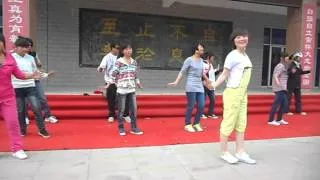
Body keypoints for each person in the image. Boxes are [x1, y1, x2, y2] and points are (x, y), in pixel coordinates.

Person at [212, 28, 256, 164]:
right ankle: (224, 152)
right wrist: (214, 84)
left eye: (244, 36)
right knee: (229, 122)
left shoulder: (245, 56)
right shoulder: (232, 55)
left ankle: (240, 151)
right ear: (234, 41)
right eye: (238, 37)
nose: (242, 38)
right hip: (233, 92)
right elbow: (225, 74)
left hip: (243, 94)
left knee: (242, 123)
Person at [0, 34, 40, 159]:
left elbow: (19, 75)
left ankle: (17, 149)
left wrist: (32, 75)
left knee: (13, 123)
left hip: (7, 97)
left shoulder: (9, 58)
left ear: (3, 43)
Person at [11, 36, 50, 138]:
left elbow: (35, 70)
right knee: (20, 110)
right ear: (17, 47)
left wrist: (42, 74)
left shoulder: (31, 58)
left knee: (36, 108)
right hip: (17, 87)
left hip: (30, 86)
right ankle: (22, 130)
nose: (26, 49)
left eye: (27, 47)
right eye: (24, 47)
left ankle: (42, 130)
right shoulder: (11, 57)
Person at [168, 43, 208, 132]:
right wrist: (176, 81)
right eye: (201, 49)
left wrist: (208, 81)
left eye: (203, 49)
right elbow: (182, 71)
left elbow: (202, 73)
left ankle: (197, 123)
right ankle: (187, 124)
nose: (202, 51)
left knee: (201, 105)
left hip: (199, 85)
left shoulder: (201, 60)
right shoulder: (189, 60)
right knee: (191, 105)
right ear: (196, 50)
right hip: (191, 85)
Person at [109, 44, 143, 136]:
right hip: (122, 89)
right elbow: (114, 73)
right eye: (127, 49)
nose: (129, 51)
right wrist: (112, 82)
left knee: (134, 110)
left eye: (130, 49)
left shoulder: (134, 62)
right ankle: (121, 128)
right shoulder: (119, 61)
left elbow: (135, 74)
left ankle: (134, 128)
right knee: (121, 110)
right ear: (123, 51)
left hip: (131, 89)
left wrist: (138, 82)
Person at [24, 37, 58, 124]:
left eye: (30, 45)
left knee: (42, 98)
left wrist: (46, 74)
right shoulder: (15, 56)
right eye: (27, 45)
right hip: (24, 81)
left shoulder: (33, 55)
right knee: (25, 101)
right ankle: (25, 117)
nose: (29, 47)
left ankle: (48, 116)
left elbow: (37, 69)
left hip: (35, 80)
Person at [97, 43, 130, 123]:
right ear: (112, 48)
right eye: (116, 48)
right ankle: (111, 115)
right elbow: (101, 67)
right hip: (110, 81)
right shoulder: (107, 57)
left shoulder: (122, 57)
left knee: (125, 98)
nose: (118, 50)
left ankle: (125, 115)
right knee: (111, 99)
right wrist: (101, 69)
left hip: (122, 81)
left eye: (119, 48)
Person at [268, 52, 291, 126]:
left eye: (288, 57)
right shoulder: (280, 65)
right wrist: (278, 83)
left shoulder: (285, 65)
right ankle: (271, 120)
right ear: (282, 58)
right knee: (276, 104)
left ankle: (279, 119)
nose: (288, 58)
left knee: (284, 104)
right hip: (279, 88)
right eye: (287, 57)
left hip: (283, 87)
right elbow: (275, 75)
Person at [286, 52, 311, 116]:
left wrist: (308, 71)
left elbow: (300, 72)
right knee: (288, 98)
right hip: (291, 84)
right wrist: (291, 72)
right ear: (295, 57)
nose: (300, 59)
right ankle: (286, 111)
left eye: (300, 58)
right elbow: (288, 73)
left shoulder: (299, 65)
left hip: (297, 84)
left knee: (298, 98)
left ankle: (299, 110)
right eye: (299, 58)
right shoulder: (291, 64)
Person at [201, 52, 221, 119]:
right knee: (203, 100)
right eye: (212, 57)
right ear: (208, 57)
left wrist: (218, 71)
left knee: (213, 99)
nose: (213, 58)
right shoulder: (203, 64)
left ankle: (210, 113)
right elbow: (202, 74)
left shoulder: (210, 65)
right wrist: (205, 82)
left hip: (211, 85)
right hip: (204, 84)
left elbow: (211, 75)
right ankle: (201, 113)